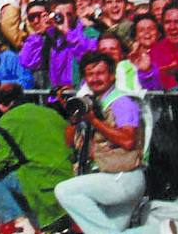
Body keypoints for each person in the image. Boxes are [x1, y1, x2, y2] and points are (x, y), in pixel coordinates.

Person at [54, 52, 147, 233]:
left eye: (100, 73)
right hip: (112, 177)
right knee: (112, 230)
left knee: (64, 191)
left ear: (111, 75)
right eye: (90, 74)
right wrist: (74, 118)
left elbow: (128, 141)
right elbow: (69, 143)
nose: (95, 79)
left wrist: (94, 121)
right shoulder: (91, 102)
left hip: (124, 178)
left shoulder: (122, 102)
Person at [0, 84, 72, 233]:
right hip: (69, 173)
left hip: (43, 183)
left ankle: (16, 221)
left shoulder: (6, 122)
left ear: (0, 105)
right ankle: (29, 219)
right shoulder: (50, 113)